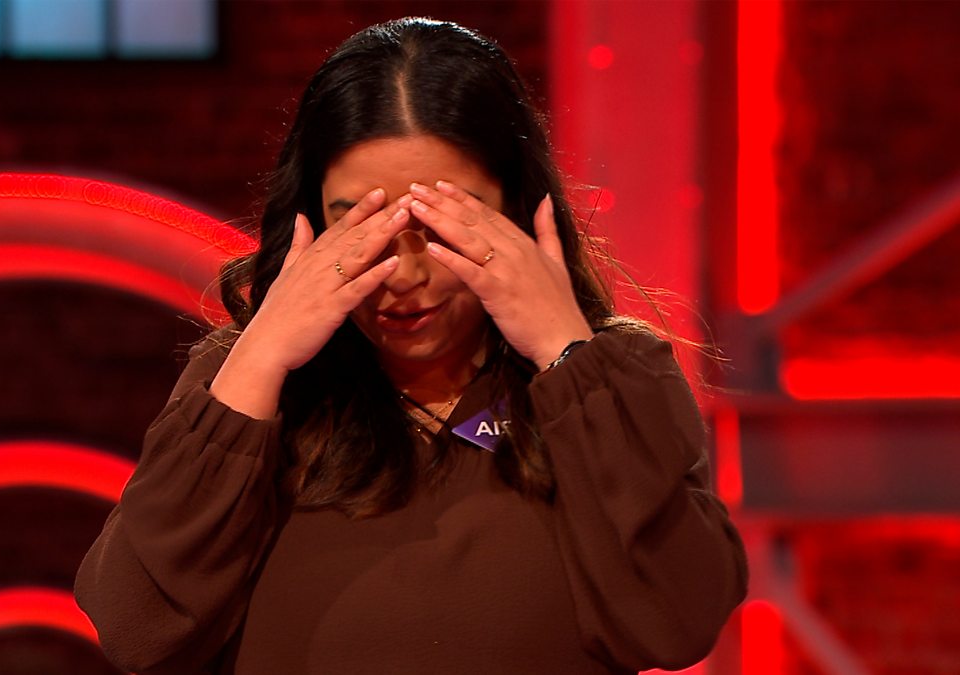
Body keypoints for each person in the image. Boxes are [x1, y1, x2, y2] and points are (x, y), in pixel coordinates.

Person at [75, 17, 747, 675]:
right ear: (310, 218)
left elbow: (677, 623)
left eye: (442, 224)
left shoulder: (612, 378)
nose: (404, 274)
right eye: (362, 224)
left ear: (516, 211)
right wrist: (260, 357)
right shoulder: (244, 384)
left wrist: (564, 351)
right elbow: (137, 634)